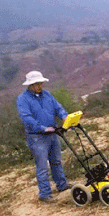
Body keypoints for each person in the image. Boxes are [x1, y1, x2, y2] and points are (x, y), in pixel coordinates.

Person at [16, 71, 72, 203]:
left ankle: (62, 186)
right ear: (31, 85)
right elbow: (27, 118)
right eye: (37, 84)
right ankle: (45, 194)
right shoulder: (23, 99)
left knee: (57, 161)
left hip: (52, 133)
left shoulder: (47, 95)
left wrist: (64, 116)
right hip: (37, 136)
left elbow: (58, 107)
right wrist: (42, 128)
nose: (40, 85)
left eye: (41, 83)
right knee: (42, 165)